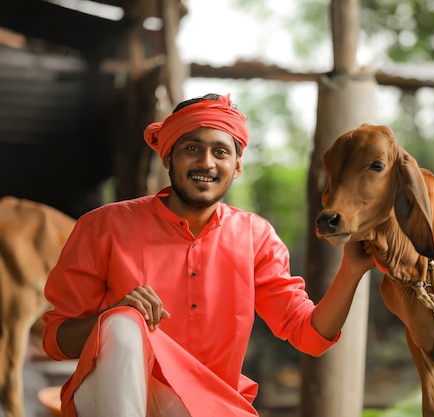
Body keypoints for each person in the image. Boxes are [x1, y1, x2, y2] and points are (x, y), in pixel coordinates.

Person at [42, 93, 375, 417]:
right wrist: (112, 316)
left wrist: (351, 271)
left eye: (220, 152)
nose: (206, 162)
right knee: (123, 323)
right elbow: (57, 341)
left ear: (237, 166)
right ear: (168, 156)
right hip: (107, 396)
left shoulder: (255, 237)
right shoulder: (103, 227)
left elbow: (309, 335)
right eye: (192, 149)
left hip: (207, 406)